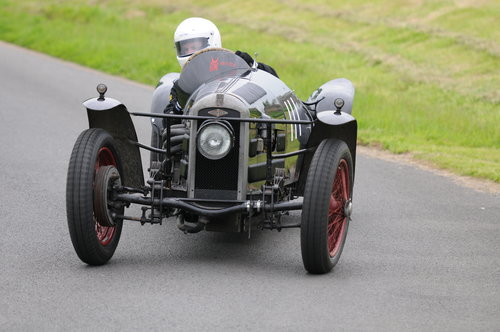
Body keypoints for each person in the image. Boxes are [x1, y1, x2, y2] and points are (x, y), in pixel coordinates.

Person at [165, 17, 278, 117]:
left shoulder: (234, 64)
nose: (190, 52)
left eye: (194, 46)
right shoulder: (183, 84)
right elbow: (168, 123)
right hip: (199, 132)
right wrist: (181, 102)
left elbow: (273, 80)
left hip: (239, 118)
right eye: (186, 49)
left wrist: (251, 64)